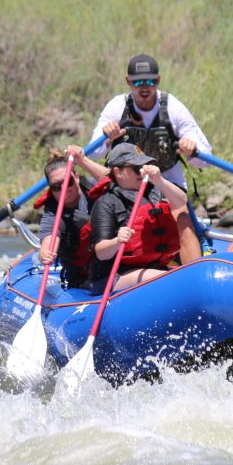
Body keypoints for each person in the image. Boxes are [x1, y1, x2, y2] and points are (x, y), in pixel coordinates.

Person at [89, 54, 212, 262]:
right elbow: (94, 152)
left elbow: (205, 159)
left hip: (165, 182)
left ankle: (192, 271)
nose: (144, 87)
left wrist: (192, 148)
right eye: (137, 82)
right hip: (126, 185)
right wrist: (106, 137)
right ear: (128, 82)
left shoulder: (173, 107)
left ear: (158, 81)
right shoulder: (117, 107)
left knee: (181, 215)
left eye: (150, 81)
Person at [87, 143, 187, 294]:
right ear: (118, 172)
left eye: (144, 165)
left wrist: (159, 181)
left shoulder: (154, 191)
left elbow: (181, 201)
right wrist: (117, 241)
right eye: (135, 168)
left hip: (153, 268)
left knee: (177, 277)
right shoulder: (106, 203)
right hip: (114, 276)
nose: (141, 172)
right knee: (173, 280)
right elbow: (101, 252)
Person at [36, 145, 110, 289]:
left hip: (114, 264)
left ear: (76, 177)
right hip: (83, 278)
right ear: (51, 189)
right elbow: (49, 240)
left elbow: (118, 179)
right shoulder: (53, 212)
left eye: (67, 182)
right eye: (56, 187)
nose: (63, 189)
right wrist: (45, 253)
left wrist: (82, 160)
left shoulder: (97, 192)